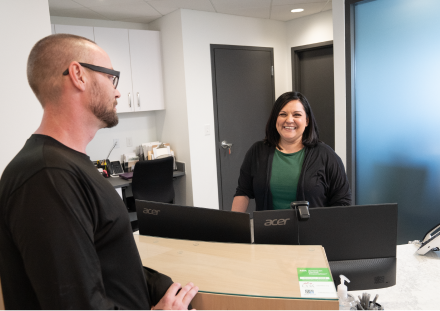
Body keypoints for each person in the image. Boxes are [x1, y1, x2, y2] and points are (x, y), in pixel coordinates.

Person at [0, 34, 198, 310]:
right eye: (111, 77)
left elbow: (109, 261)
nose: (117, 91)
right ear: (78, 75)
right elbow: (74, 303)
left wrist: (160, 286)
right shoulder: (48, 176)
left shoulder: (68, 165)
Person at [231, 91, 351, 212]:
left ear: (307, 121)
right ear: (275, 119)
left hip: (313, 230)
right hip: (267, 229)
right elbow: (243, 192)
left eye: (297, 115)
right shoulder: (257, 151)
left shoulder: (326, 155)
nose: (289, 120)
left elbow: (342, 200)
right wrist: (234, 227)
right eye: (283, 114)